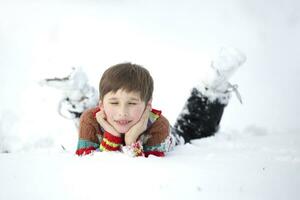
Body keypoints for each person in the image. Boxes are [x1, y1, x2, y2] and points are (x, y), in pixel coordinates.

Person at [76, 47, 246, 157]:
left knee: (191, 129)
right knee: (91, 113)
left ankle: (211, 87)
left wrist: (131, 140)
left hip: (171, 137)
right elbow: (88, 163)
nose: (122, 112)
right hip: (100, 115)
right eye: (114, 103)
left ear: (147, 105)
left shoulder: (159, 127)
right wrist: (113, 135)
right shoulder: (90, 120)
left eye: (132, 103)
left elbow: (144, 169)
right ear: (101, 105)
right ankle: (79, 95)